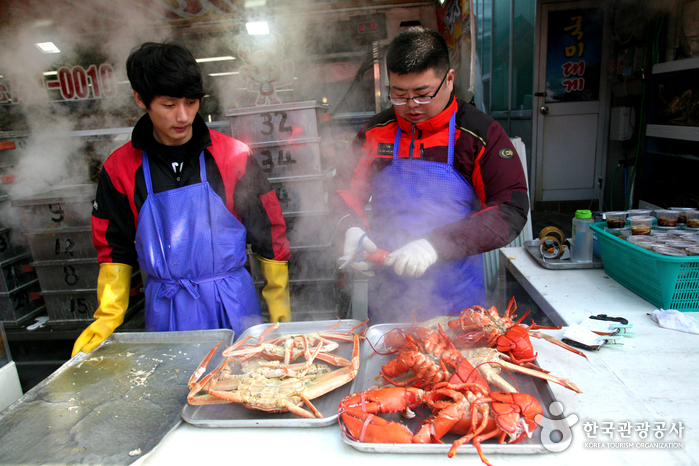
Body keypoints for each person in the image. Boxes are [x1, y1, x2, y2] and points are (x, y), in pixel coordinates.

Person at [72, 42, 291, 356]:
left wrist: (279, 304)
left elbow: (268, 233)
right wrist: (108, 316)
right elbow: (114, 249)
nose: (184, 116)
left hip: (233, 303)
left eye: (191, 102)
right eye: (169, 104)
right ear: (140, 98)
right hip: (167, 308)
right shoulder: (119, 169)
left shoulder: (234, 156)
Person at [333, 27, 529, 324]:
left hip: (457, 298)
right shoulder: (377, 131)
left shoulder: (478, 134)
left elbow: (510, 209)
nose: (411, 106)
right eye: (399, 95)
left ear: (449, 79)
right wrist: (350, 228)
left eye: (423, 94)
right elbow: (345, 189)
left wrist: (434, 245)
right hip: (389, 293)